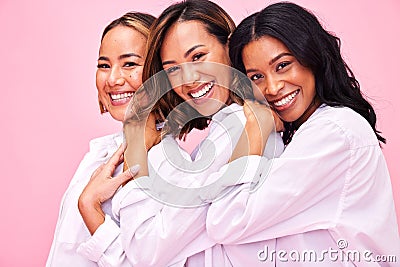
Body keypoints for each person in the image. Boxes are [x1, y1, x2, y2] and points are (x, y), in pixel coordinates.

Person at [76, 0, 284, 266]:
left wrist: (136, 150)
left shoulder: (240, 127)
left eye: (198, 57)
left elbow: (147, 251)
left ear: (230, 47)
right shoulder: (229, 129)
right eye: (172, 69)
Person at [205, 2, 400, 266]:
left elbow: (226, 222)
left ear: (313, 58)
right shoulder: (312, 131)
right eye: (256, 77)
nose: (272, 87)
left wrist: (252, 133)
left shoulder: (333, 134)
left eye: (283, 65)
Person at [46, 12, 156, 266]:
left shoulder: (165, 164)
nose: (113, 79)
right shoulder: (100, 154)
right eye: (104, 65)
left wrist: (90, 206)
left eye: (129, 64)